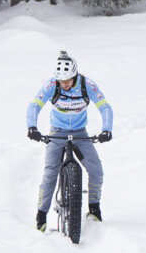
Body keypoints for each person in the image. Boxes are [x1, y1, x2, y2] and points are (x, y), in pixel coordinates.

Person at [26, 51, 114, 231]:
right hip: (57, 133)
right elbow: (34, 105)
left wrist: (107, 129)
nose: (64, 85)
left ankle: (94, 210)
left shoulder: (86, 85)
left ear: (75, 76)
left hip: (80, 133)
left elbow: (104, 106)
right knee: (50, 174)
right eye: (61, 81)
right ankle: (41, 217)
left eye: (67, 81)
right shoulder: (52, 84)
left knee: (97, 171)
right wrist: (32, 127)